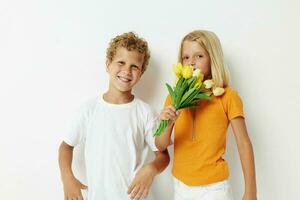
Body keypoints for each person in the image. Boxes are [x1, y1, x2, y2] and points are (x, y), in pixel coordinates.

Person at [58, 32, 170, 200]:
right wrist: (67, 179)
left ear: (141, 73)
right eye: (121, 62)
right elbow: (65, 147)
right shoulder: (89, 110)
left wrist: (150, 170)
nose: (127, 71)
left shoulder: (144, 112)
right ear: (108, 64)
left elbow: (163, 154)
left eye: (134, 66)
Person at [155, 30, 257, 200]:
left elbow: (244, 144)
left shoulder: (227, 96)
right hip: (181, 185)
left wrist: (251, 191)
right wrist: (168, 122)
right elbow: (160, 145)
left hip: (215, 188)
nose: (191, 63)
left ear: (213, 58)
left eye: (199, 56)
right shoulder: (173, 98)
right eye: (186, 57)